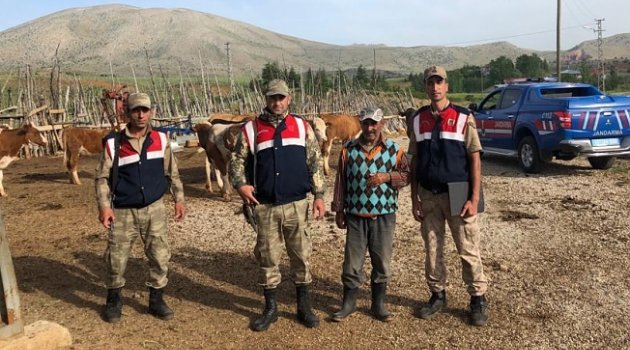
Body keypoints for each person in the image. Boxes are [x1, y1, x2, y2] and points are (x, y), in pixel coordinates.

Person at [229, 79, 327, 331]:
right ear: (266, 98)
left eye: (281, 97)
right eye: (273, 97)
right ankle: (270, 308)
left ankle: (303, 307)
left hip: (296, 204)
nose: (277, 102)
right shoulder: (251, 129)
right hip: (266, 206)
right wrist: (241, 185)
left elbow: (315, 162)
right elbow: (236, 162)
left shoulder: (301, 126)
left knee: (301, 256)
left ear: (289, 98)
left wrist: (319, 195)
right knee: (268, 257)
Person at [95, 92, 186, 323]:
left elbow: (171, 172)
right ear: (127, 113)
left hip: (154, 209)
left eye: (145, 110)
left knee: (160, 255)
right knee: (116, 259)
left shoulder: (162, 140)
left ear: (152, 112)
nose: (141, 114)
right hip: (123, 211)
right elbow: (102, 178)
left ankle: (156, 300)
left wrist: (179, 199)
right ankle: (114, 300)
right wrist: (104, 207)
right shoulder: (114, 143)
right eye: (136, 110)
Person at [410, 66, 489, 326]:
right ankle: (437, 295)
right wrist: (414, 199)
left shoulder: (464, 116)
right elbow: (414, 161)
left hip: (459, 190)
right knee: (432, 249)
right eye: (430, 83)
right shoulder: (418, 118)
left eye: (439, 82)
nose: (435, 87)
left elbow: (475, 158)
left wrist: (474, 197)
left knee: (468, 248)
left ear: (447, 86)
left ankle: (477, 298)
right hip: (428, 193)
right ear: (425, 87)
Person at [330, 107, 410, 322]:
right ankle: (348, 303)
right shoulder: (348, 150)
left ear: (381, 124)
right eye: (366, 123)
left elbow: (406, 175)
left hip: (384, 214)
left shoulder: (394, 149)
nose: (370, 127)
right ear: (361, 124)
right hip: (356, 214)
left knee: (382, 261)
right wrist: (339, 209)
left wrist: (386, 177)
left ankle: (378, 303)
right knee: (352, 263)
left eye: (374, 123)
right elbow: (341, 182)